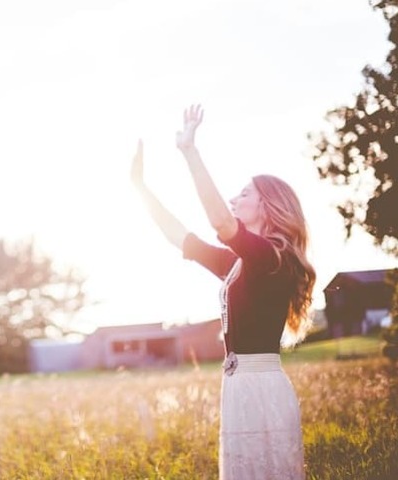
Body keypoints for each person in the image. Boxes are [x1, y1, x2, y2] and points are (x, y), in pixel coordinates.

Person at [130, 105, 314, 479]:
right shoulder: (240, 263)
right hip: (239, 388)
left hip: (262, 390)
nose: (234, 199)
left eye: (243, 194)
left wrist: (190, 152)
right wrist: (141, 188)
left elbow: (220, 221)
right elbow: (179, 236)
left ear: (267, 205)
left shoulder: (272, 258)